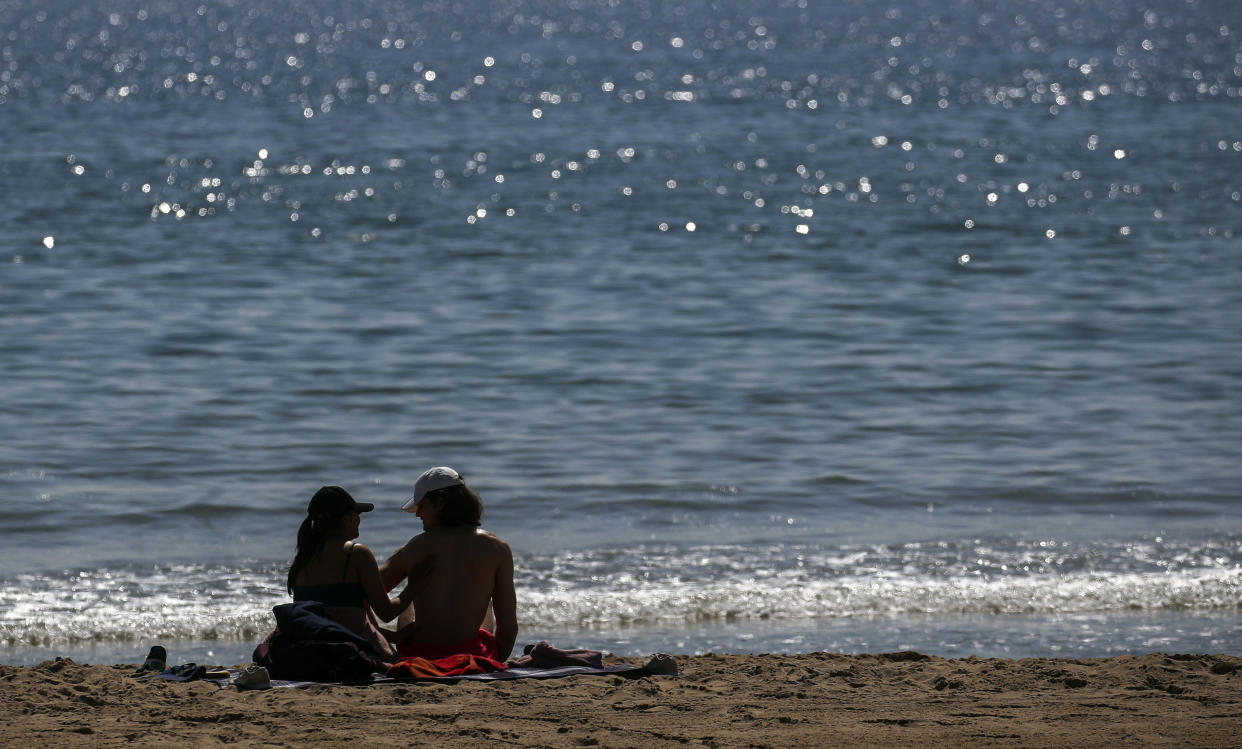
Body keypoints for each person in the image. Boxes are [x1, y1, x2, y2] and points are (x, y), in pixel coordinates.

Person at [379, 467, 518, 661]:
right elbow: (508, 628)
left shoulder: (414, 548)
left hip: (421, 654)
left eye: (422, 506)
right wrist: (495, 660)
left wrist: (382, 637)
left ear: (440, 503)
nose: (417, 514)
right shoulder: (497, 548)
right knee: (483, 599)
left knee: (412, 592)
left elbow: (363, 592)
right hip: (473, 654)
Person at [287, 485, 426, 662]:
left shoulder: (303, 557)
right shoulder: (356, 553)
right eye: (357, 514)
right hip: (350, 648)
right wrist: (414, 585)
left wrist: (393, 637)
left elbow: (334, 614)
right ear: (347, 519)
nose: (359, 519)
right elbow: (387, 613)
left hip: (309, 647)